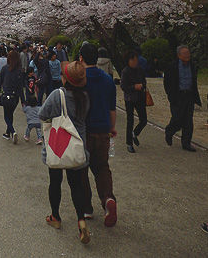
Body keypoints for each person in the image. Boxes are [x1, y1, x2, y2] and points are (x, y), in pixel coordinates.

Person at [39, 61, 91, 244]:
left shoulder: (57, 95)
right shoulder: (85, 96)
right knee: (76, 185)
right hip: (77, 148)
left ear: (65, 78)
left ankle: (56, 218)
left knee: (55, 182)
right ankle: (81, 220)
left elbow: (43, 114)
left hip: (57, 147)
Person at [79, 42, 117, 227]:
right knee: (102, 168)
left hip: (84, 130)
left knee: (82, 169)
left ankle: (87, 208)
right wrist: (112, 128)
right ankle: (108, 199)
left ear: (81, 58)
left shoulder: (80, 78)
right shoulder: (108, 80)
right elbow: (112, 109)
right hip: (103, 130)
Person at [164, 45, 201, 151]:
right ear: (179, 55)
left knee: (188, 121)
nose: (187, 55)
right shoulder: (172, 66)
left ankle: (186, 143)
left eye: (188, 53)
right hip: (177, 95)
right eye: (184, 54)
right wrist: (170, 95)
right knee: (177, 118)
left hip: (189, 95)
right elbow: (167, 82)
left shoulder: (193, 65)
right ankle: (169, 131)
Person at [120, 50, 147, 153]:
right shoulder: (125, 71)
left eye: (136, 59)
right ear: (128, 60)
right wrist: (134, 87)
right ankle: (129, 143)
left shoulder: (140, 70)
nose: (135, 62)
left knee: (143, 120)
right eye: (133, 60)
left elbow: (144, 82)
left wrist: (142, 85)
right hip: (130, 99)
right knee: (130, 121)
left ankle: (134, 133)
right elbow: (123, 86)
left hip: (140, 97)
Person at [0, 49, 25, 143]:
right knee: (10, 114)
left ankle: (12, 131)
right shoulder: (20, 71)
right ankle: (8, 133)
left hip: (6, 95)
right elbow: (21, 87)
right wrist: (23, 100)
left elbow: (0, 81)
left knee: (6, 116)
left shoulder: (5, 68)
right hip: (15, 96)